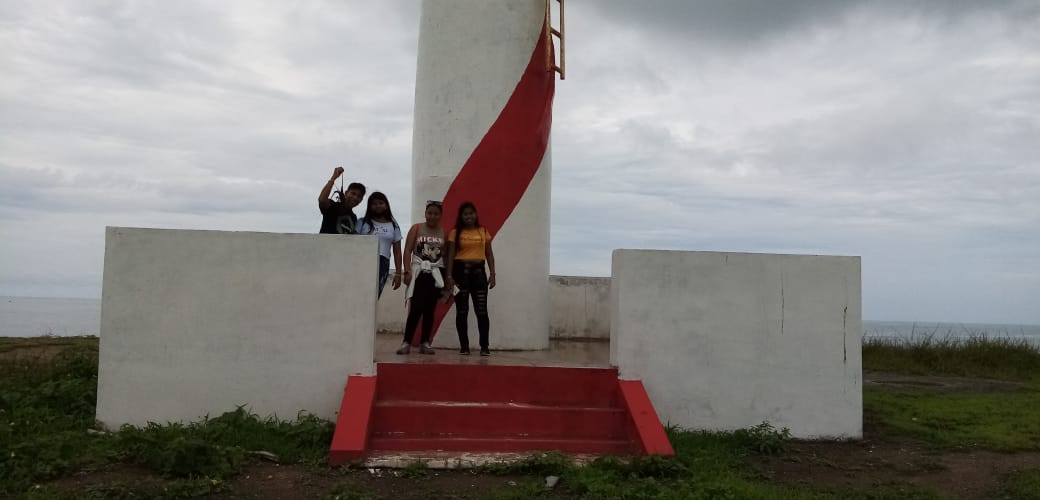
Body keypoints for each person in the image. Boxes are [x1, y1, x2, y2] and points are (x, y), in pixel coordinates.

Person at [444, 201, 496, 356]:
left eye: (471, 213)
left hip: (479, 273)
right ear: (461, 216)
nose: (469, 216)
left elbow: (489, 254)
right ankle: (464, 346)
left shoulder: (483, 231)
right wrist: (449, 276)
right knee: (462, 311)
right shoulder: (455, 233)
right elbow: (450, 256)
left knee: (482, 311)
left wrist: (493, 274)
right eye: (465, 214)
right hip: (460, 274)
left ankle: (484, 347)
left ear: (476, 214)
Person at [398, 201, 447, 355]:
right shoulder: (417, 228)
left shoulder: (443, 232)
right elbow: (407, 250)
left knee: (430, 309)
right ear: (425, 213)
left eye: (436, 213)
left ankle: (425, 342)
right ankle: (406, 342)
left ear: (440, 215)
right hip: (418, 272)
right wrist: (407, 271)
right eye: (429, 213)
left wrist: (447, 278)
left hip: (435, 273)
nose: (432, 216)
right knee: (416, 308)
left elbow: (444, 255)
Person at [357, 192, 403, 298]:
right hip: (363, 262)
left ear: (386, 205)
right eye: (374, 204)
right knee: (360, 294)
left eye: (381, 203)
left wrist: (398, 273)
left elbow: (397, 252)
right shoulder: (362, 222)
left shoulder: (393, 225)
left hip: (383, 263)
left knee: (375, 295)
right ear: (369, 206)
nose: (378, 206)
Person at [318, 167, 366, 235]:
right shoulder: (333, 206)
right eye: (353, 193)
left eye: (359, 196)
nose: (355, 197)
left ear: (361, 200)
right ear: (346, 193)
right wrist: (333, 177)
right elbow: (322, 200)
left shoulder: (353, 217)